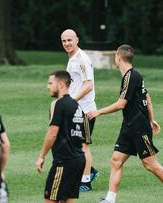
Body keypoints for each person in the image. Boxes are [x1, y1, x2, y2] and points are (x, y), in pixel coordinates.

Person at [88, 44, 163, 203]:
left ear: (118, 57)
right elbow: (147, 97)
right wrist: (152, 119)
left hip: (139, 128)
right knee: (116, 160)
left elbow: (121, 104)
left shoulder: (130, 77)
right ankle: (110, 200)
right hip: (129, 126)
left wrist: (98, 112)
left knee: (150, 164)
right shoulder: (134, 76)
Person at [35, 71, 86, 203]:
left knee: (50, 199)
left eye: (51, 83)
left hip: (64, 161)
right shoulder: (76, 105)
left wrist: (41, 156)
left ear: (61, 84)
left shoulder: (60, 104)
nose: (48, 86)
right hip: (78, 159)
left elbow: (52, 133)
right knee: (68, 199)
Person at [61, 29, 99, 192]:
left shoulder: (82, 59)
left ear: (77, 40)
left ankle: (85, 182)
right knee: (73, 145)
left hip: (85, 111)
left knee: (83, 146)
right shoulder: (72, 59)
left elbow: (88, 85)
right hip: (76, 110)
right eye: (64, 41)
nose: (67, 43)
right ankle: (90, 171)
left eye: (70, 40)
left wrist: (72, 100)